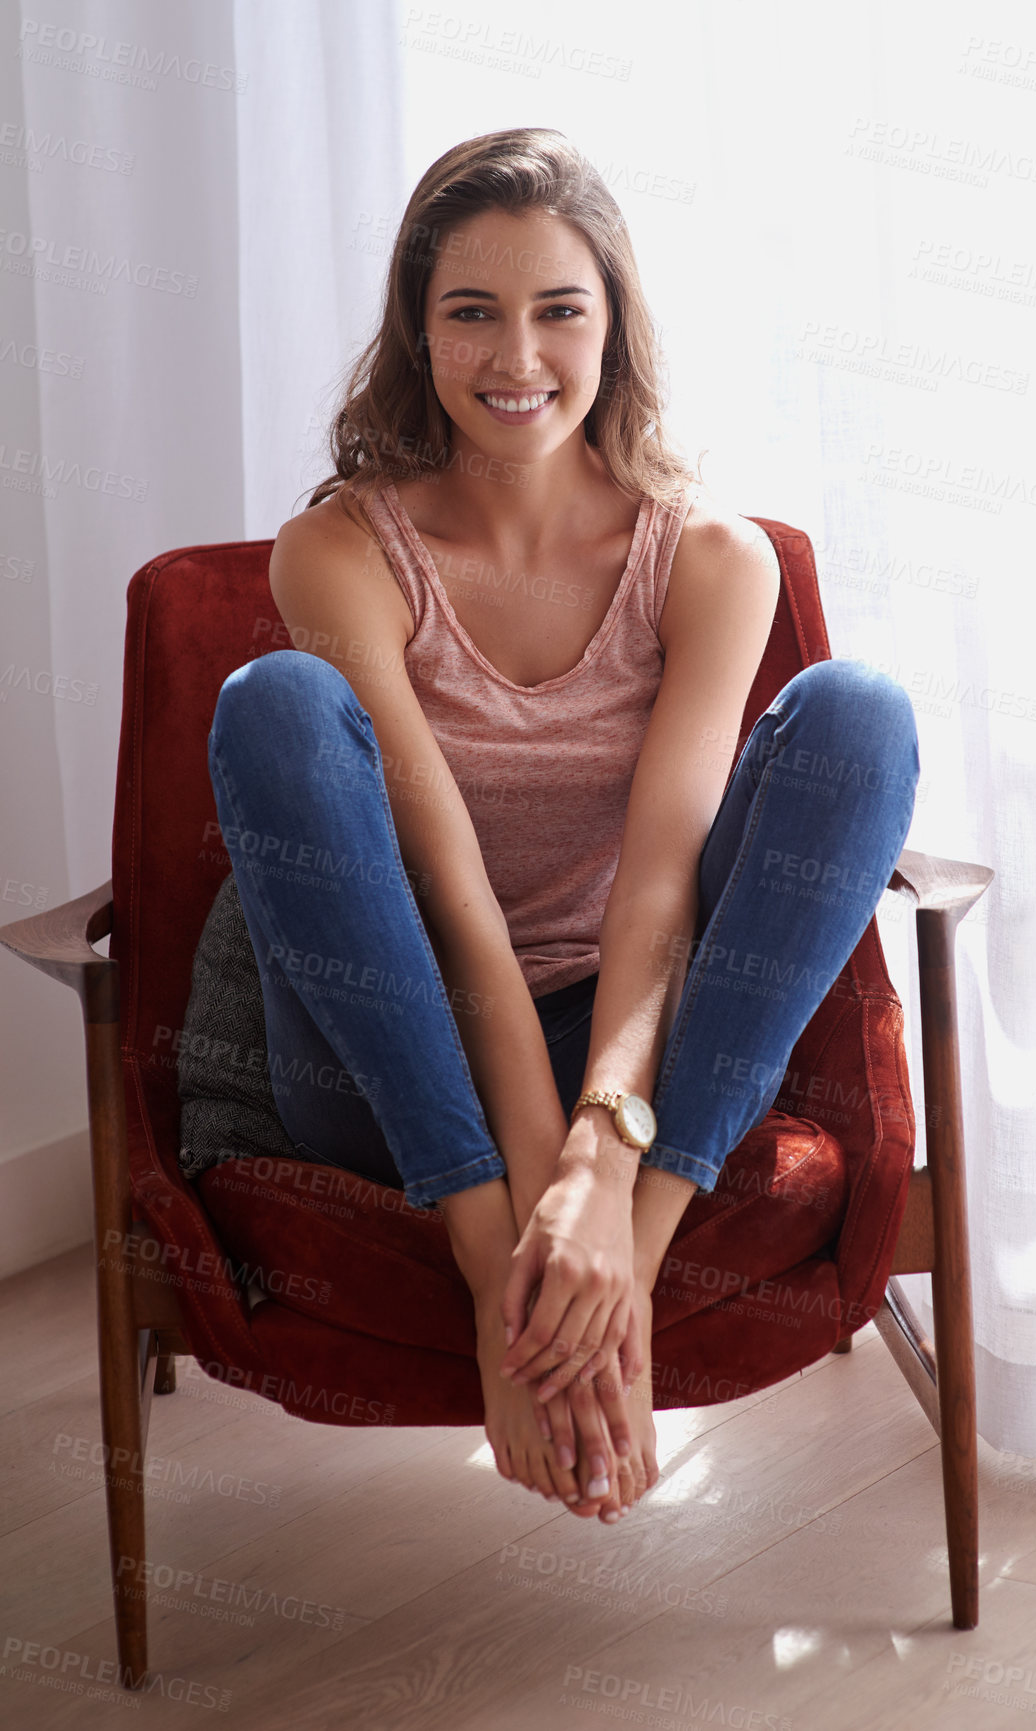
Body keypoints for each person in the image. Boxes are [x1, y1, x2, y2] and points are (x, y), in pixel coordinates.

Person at [204, 126, 920, 1528]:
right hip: (386, 1052)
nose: (514, 355)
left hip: (640, 1058)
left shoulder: (708, 558)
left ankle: (622, 1282)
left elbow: (661, 890)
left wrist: (610, 1205)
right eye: (470, 310)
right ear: (418, 330)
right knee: (274, 706)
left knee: (863, 717)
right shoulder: (342, 551)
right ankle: (498, 1272)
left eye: (557, 310)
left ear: (613, 324)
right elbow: (453, 893)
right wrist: (512, 1245)